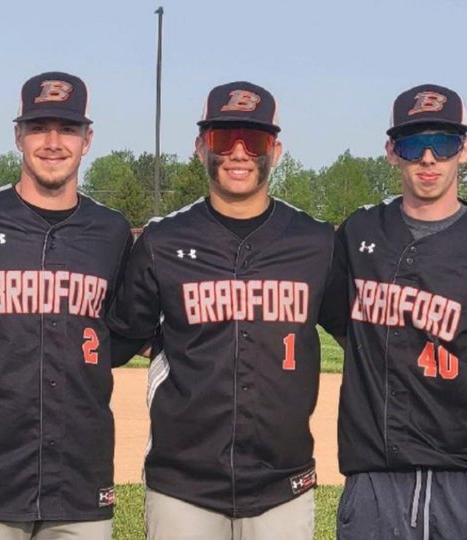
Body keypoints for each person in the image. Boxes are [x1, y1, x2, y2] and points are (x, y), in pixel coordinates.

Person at [106, 81, 339, 539]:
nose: (237, 152)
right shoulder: (163, 240)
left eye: (253, 141)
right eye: (222, 138)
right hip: (182, 487)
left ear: (275, 150)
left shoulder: (315, 242)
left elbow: (361, 332)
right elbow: (122, 335)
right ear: (201, 148)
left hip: (283, 483)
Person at [325, 84, 467, 539]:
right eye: (413, 144)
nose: (428, 158)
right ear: (392, 152)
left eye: (443, 143)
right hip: (375, 483)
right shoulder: (359, 231)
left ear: (464, 149)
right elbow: (341, 324)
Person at [0, 71, 133, 540]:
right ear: (18, 135)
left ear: (88, 139)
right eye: (39, 127)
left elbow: (124, 333)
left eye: (68, 129)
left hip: (81, 479)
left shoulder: (112, 232)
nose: (53, 143)